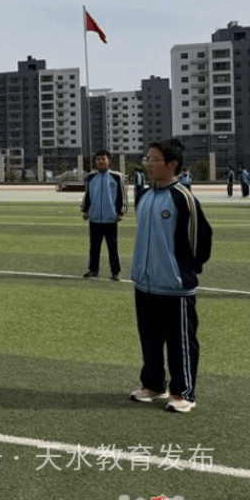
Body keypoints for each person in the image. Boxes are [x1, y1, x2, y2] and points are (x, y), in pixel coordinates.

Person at [129, 138, 212, 413]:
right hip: (145, 283)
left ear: (172, 164)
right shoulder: (144, 196)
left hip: (175, 286)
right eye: (147, 159)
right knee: (149, 339)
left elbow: (200, 240)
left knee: (180, 342)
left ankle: (183, 392)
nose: (148, 164)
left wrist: (185, 270)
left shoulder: (183, 198)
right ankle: (153, 384)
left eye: (154, 159)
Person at [80, 150, 126, 280]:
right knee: (94, 246)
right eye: (98, 159)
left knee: (112, 246)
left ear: (108, 161)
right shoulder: (90, 177)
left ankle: (115, 272)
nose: (100, 161)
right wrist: (85, 210)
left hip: (110, 218)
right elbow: (87, 195)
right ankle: (93, 269)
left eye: (103, 159)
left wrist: (120, 212)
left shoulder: (116, 177)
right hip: (94, 218)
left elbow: (122, 195)